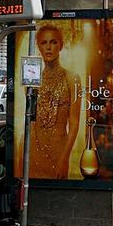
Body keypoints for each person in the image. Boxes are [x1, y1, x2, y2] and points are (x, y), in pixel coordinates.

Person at [32, 24, 82, 180]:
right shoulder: (34, 79)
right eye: (44, 43)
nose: (48, 47)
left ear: (60, 45)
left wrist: (64, 158)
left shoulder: (72, 78)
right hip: (34, 148)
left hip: (58, 148)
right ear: (39, 46)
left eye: (53, 42)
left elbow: (74, 124)